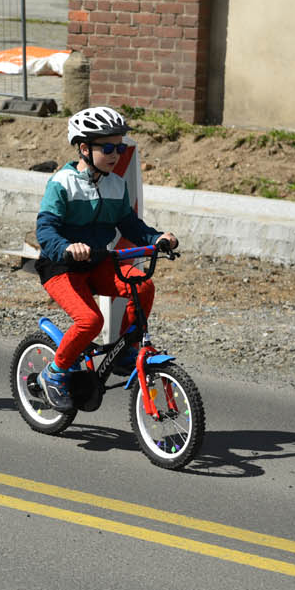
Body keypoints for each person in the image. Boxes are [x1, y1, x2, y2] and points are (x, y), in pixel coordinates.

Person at [34, 106, 178, 412]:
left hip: (97, 263)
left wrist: (157, 239)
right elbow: (45, 229)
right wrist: (66, 246)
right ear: (84, 149)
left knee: (143, 287)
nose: (116, 154)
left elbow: (130, 226)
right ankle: (54, 373)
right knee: (90, 320)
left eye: (120, 147)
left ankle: (126, 351)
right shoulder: (63, 182)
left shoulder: (115, 183)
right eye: (108, 147)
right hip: (61, 266)